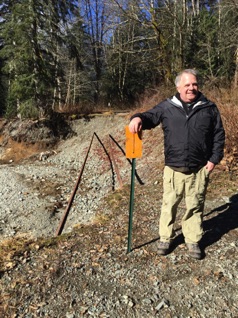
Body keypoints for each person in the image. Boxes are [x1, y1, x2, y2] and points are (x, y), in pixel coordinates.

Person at [129, 69, 225, 259]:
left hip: (199, 169)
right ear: (178, 86)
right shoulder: (167, 107)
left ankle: (192, 240)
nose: (192, 88)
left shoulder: (209, 108)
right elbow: (149, 116)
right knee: (169, 205)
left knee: (195, 206)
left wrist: (214, 160)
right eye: (187, 85)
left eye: (195, 84)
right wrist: (137, 117)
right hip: (173, 169)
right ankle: (165, 238)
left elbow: (218, 135)